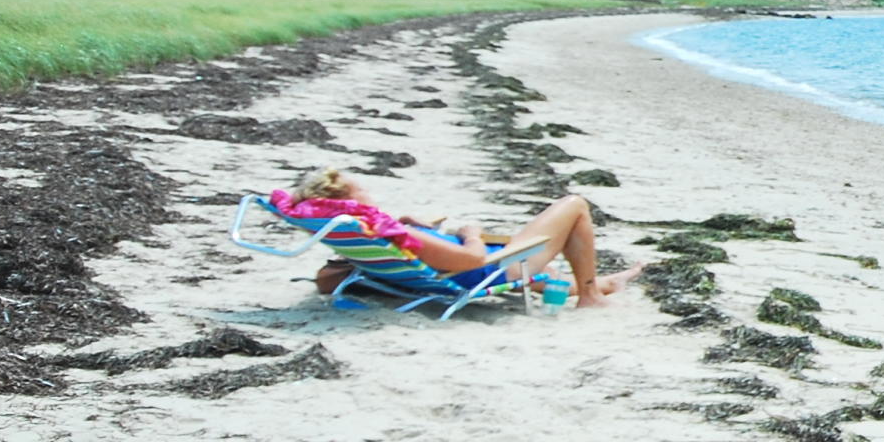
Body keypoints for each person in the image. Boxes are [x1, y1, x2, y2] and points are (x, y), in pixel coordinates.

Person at [272, 167, 639, 307]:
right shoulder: (392, 233)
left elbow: (327, 279)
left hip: (465, 268)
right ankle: (591, 295)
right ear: (350, 201)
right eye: (361, 189)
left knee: (555, 278)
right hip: (495, 268)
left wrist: (421, 229)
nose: (368, 193)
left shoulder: (361, 232)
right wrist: (471, 234)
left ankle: (607, 283)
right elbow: (472, 261)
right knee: (574, 205)